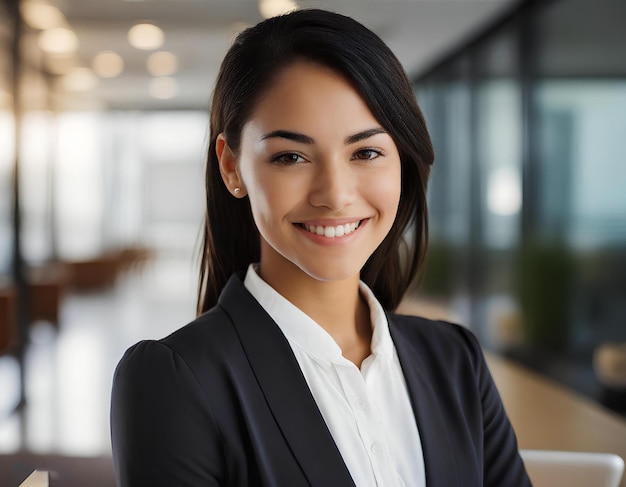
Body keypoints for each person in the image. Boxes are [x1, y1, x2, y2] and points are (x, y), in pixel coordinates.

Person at [110, 9, 531, 487]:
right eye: (291, 156)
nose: (335, 194)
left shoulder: (455, 361)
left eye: (366, 152)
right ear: (232, 167)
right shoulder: (174, 381)